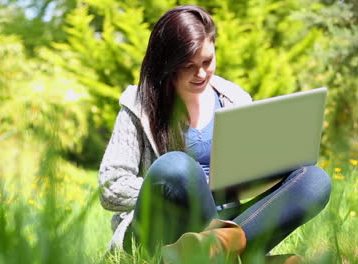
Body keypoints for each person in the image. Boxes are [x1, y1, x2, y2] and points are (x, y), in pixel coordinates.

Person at [98, 4, 331, 263]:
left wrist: (281, 162)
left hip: (229, 217)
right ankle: (240, 256)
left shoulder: (234, 98)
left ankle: (214, 251)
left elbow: (254, 168)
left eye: (207, 61)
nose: (200, 73)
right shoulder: (138, 104)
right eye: (188, 65)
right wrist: (179, 187)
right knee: (176, 167)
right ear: (167, 64)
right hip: (162, 230)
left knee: (314, 180)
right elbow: (111, 186)